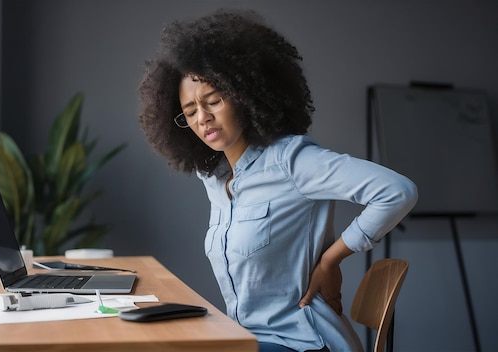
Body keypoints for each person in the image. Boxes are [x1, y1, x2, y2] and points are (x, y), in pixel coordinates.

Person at [138, 9, 418, 352]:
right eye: (191, 111)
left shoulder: (291, 161)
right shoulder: (214, 178)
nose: (203, 118)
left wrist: (331, 259)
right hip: (247, 339)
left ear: (245, 95)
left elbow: (397, 192)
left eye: (213, 100)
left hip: (303, 341)